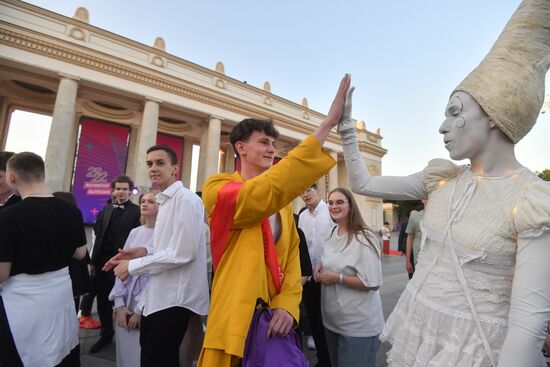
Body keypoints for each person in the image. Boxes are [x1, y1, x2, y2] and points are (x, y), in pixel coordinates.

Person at [337, 1, 550, 365]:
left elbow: (527, 329)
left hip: (474, 353)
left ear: (497, 114)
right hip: (418, 340)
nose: (442, 126)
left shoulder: (532, 202)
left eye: (455, 112)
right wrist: (346, 129)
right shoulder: (441, 180)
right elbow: (363, 183)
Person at [197, 74, 350, 366]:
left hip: (274, 322)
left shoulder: (281, 207)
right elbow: (261, 194)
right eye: (264, 142)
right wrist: (327, 124)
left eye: (274, 144)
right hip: (235, 317)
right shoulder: (217, 188)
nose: (272, 149)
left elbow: (292, 263)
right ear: (240, 148)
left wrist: (287, 306)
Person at [107, 144, 209, 367]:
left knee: (158, 359)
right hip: (159, 296)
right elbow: (169, 247)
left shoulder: (185, 200)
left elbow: (183, 253)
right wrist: (142, 251)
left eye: (160, 163)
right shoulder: (166, 200)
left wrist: (133, 266)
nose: (153, 168)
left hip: (174, 299)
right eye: (150, 163)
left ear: (175, 168)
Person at [0, 152, 87, 366]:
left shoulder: (8, 216)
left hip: (22, 302)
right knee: (60, 348)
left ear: (12, 177)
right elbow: (80, 253)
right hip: (60, 295)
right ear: (42, 175)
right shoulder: (71, 211)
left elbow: (1, 274)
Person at [314, 188, 383, 367]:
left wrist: (337, 278)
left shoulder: (365, 238)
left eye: (339, 202)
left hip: (357, 327)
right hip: (332, 321)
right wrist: (320, 265)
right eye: (330, 202)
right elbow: (332, 259)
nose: (333, 206)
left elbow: (372, 283)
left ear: (351, 206)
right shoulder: (332, 232)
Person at [89, 175, 141, 353]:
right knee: (103, 299)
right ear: (114, 190)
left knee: (125, 299)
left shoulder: (137, 211)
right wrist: (94, 263)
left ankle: (127, 336)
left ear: (130, 191)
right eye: (118, 188)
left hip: (125, 263)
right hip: (104, 263)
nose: (120, 192)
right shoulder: (107, 209)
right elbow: (98, 235)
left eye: (124, 189)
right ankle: (106, 334)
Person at [108, 190, 158, 367]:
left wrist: (139, 310)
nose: (144, 204)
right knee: (124, 350)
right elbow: (122, 266)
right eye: (143, 201)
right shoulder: (135, 232)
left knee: (142, 352)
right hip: (127, 292)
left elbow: (158, 275)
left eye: (151, 202)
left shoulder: (164, 234)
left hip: (148, 299)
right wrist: (119, 305)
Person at [298, 184, 333, 364]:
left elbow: (335, 242)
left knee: (328, 319)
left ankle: (331, 358)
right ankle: (322, 358)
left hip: (328, 274)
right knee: (313, 319)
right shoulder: (302, 216)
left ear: (317, 191)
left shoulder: (330, 212)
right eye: (302, 192)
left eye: (309, 190)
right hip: (308, 276)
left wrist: (325, 264)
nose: (305, 195)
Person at [405, 202, 426, 279]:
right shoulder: (415, 217)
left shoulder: (442, 217)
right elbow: (409, 238)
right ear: (423, 199)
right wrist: (408, 261)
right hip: (419, 259)